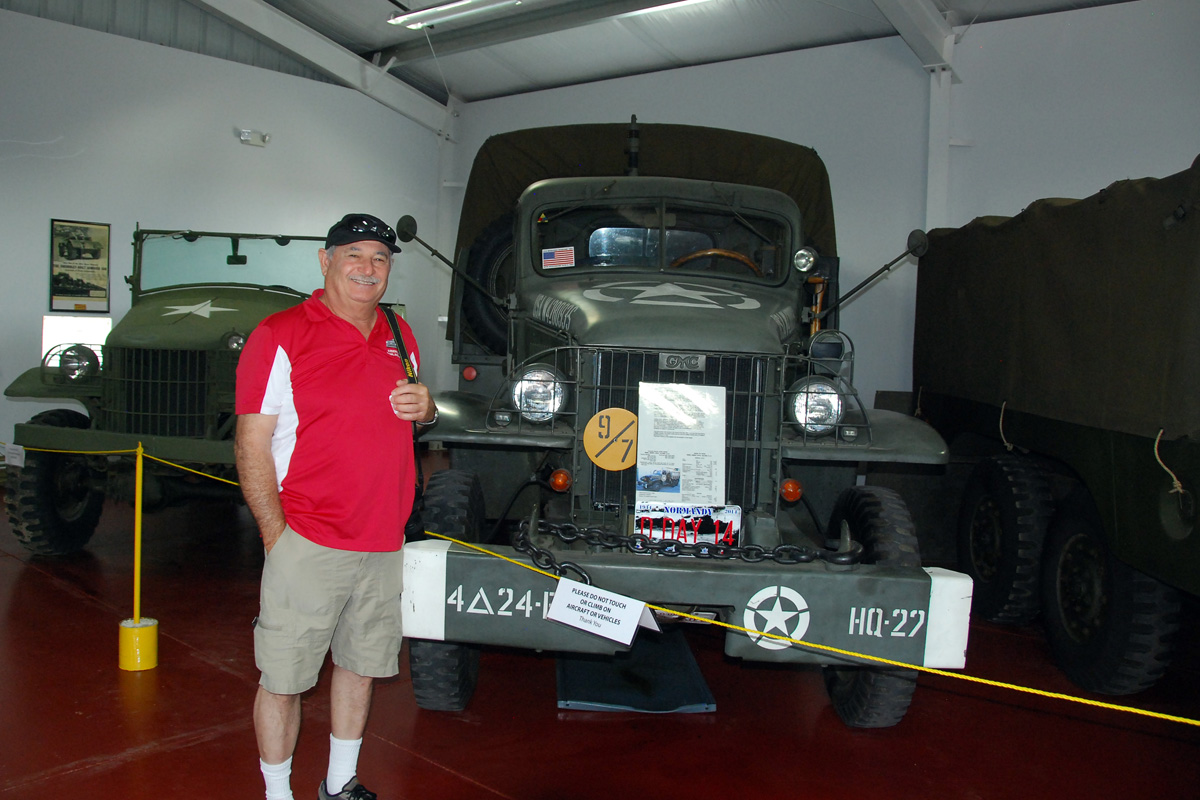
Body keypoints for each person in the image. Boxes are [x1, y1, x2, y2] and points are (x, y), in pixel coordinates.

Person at [235, 213, 437, 800]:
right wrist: (277, 536)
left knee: (361, 666)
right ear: (325, 261)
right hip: (309, 539)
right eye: (353, 254)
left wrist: (426, 411)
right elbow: (251, 444)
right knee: (284, 678)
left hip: (381, 542)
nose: (366, 268)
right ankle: (277, 793)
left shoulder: (401, 335)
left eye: (379, 257)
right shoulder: (281, 334)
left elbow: (404, 425)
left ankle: (340, 782)